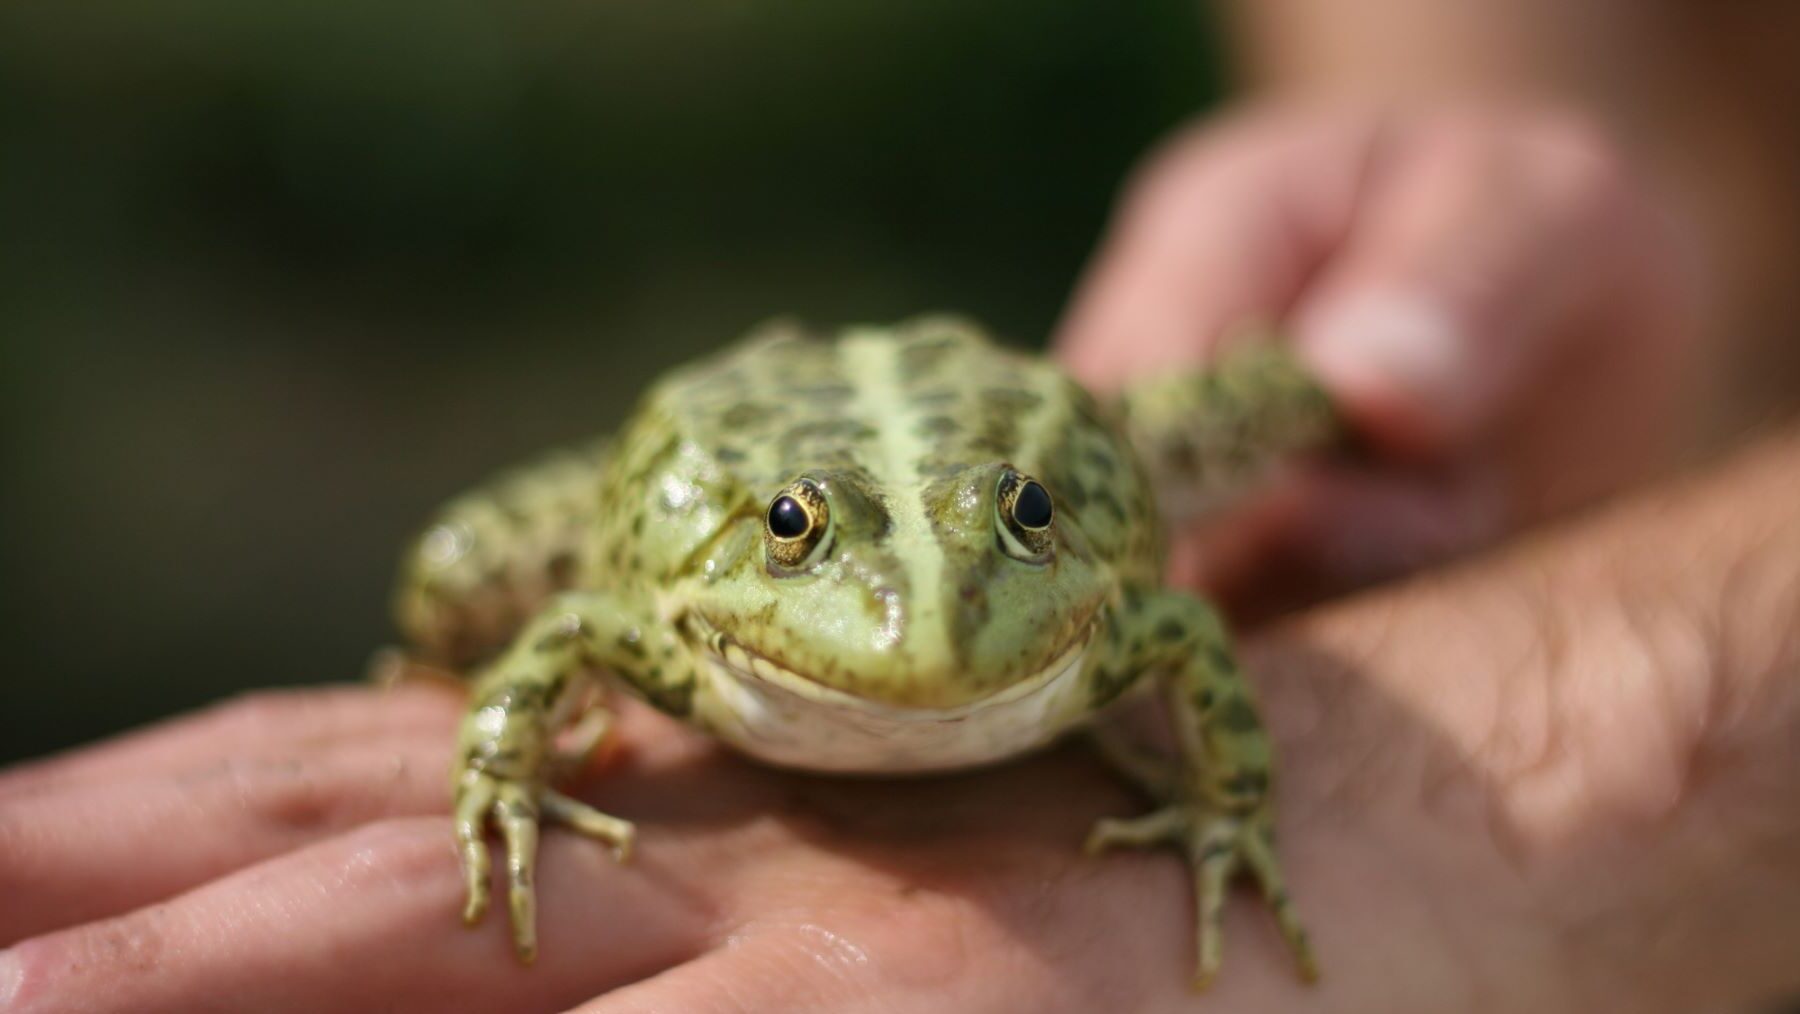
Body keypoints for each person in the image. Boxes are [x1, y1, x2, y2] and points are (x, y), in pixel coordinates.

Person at [6, 5, 1800, 1010]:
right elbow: (559, 636)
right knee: (464, 563)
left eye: (1017, 533)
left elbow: (1173, 620)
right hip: (749, 437)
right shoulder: (663, 627)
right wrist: (490, 754)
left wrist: (1263, 808)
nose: (928, 624)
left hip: (1001, 420)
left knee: (1230, 413)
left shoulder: (1115, 617)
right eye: (814, 557)